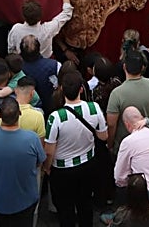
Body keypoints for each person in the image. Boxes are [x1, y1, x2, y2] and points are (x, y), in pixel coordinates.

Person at [43, 71, 108, 227]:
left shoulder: (55, 117)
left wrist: (47, 168)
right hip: (88, 165)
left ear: (61, 90)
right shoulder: (94, 108)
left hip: (62, 171)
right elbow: (103, 136)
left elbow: (49, 151)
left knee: (65, 210)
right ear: (81, 89)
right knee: (85, 204)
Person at [0, 96, 46, 227]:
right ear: (19, 114)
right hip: (24, 202)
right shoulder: (32, 139)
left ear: (0, 116)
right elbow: (39, 163)